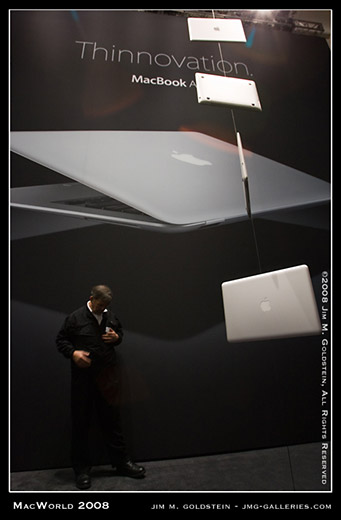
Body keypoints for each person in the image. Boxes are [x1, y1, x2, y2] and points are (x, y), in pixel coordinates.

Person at [56, 284, 145, 489]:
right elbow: (60, 340)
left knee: (112, 422)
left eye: (106, 305)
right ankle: (81, 470)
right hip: (83, 380)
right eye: (100, 304)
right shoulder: (75, 318)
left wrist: (117, 338)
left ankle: (122, 464)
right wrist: (73, 353)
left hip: (108, 379)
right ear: (91, 298)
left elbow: (119, 334)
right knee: (81, 424)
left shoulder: (110, 316)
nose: (102, 308)